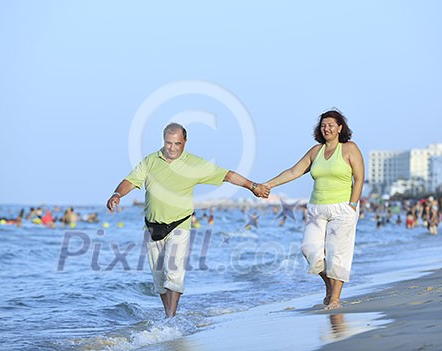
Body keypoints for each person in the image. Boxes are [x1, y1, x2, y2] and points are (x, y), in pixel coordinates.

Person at [106, 122, 269, 318]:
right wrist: (117, 194)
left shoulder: (195, 164)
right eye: (168, 143)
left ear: (185, 142)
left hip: (179, 225)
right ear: (163, 141)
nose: (172, 148)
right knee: (160, 280)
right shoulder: (150, 161)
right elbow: (130, 181)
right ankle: (168, 316)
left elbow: (226, 175)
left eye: (177, 143)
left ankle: (170, 318)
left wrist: (252, 186)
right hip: (152, 227)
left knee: (173, 274)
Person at [263, 109, 364, 310]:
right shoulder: (315, 151)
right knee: (310, 250)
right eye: (323, 125)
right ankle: (329, 287)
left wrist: (352, 205)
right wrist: (268, 185)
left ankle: (335, 299)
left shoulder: (349, 149)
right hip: (317, 208)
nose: (326, 128)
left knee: (337, 254)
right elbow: (294, 171)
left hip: (343, 207)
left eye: (331, 125)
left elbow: (359, 178)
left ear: (340, 128)